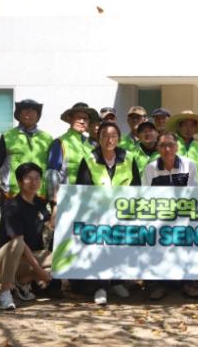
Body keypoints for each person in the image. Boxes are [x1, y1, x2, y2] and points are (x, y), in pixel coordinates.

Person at [74, 121, 141, 305]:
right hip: (97, 214)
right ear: (98, 138)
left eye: (113, 136)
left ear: (118, 139)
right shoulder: (89, 159)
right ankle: (100, 287)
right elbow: (83, 188)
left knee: (119, 247)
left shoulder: (129, 157)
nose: (109, 140)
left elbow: (136, 185)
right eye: (105, 136)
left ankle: (117, 281)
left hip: (122, 212)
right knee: (100, 248)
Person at [141, 132, 198, 300]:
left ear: (177, 147)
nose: (167, 149)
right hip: (159, 219)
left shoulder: (190, 165)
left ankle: (188, 283)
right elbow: (146, 195)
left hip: (184, 217)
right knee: (155, 245)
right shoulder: (150, 168)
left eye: (170, 145)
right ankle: (159, 285)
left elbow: (194, 192)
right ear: (157, 148)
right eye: (162, 145)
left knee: (189, 243)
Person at [0, 163, 54, 310]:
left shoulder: (40, 203)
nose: (33, 182)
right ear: (19, 182)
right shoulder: (12, 206)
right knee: (18, 242)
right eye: (28, 178)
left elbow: (51, 224)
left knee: (60, 259)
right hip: (1, 259)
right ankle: (4, 293)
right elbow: (19, 243)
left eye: (37, 178)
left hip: (26, 258)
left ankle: (21, 283)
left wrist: (56, 204)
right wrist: (40, 272)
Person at [0, 99, 53, 203]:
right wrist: (9, 183)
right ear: (18, 114)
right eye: (25, 109)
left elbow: (51, 168)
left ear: (38, 116)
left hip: (39, 196)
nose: (29, 113)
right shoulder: (7, 137)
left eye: (33, 110)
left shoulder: (47, 138)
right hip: (13, 195)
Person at [46, 102, 98, 206]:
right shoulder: (60, 142)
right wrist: (54, 200)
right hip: (66, 201)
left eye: (85, 118)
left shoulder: (92, 145)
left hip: (89, 201)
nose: (82, 121)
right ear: (70, 119)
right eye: (78, 117)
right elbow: (52, 174)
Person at [167, 110, 198, 185]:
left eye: (192, 126)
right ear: (179, 127)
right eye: (185, 125)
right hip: (176, 188)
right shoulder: (171, 144)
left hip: (196, 189)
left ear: (195, 128)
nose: (189, 129)